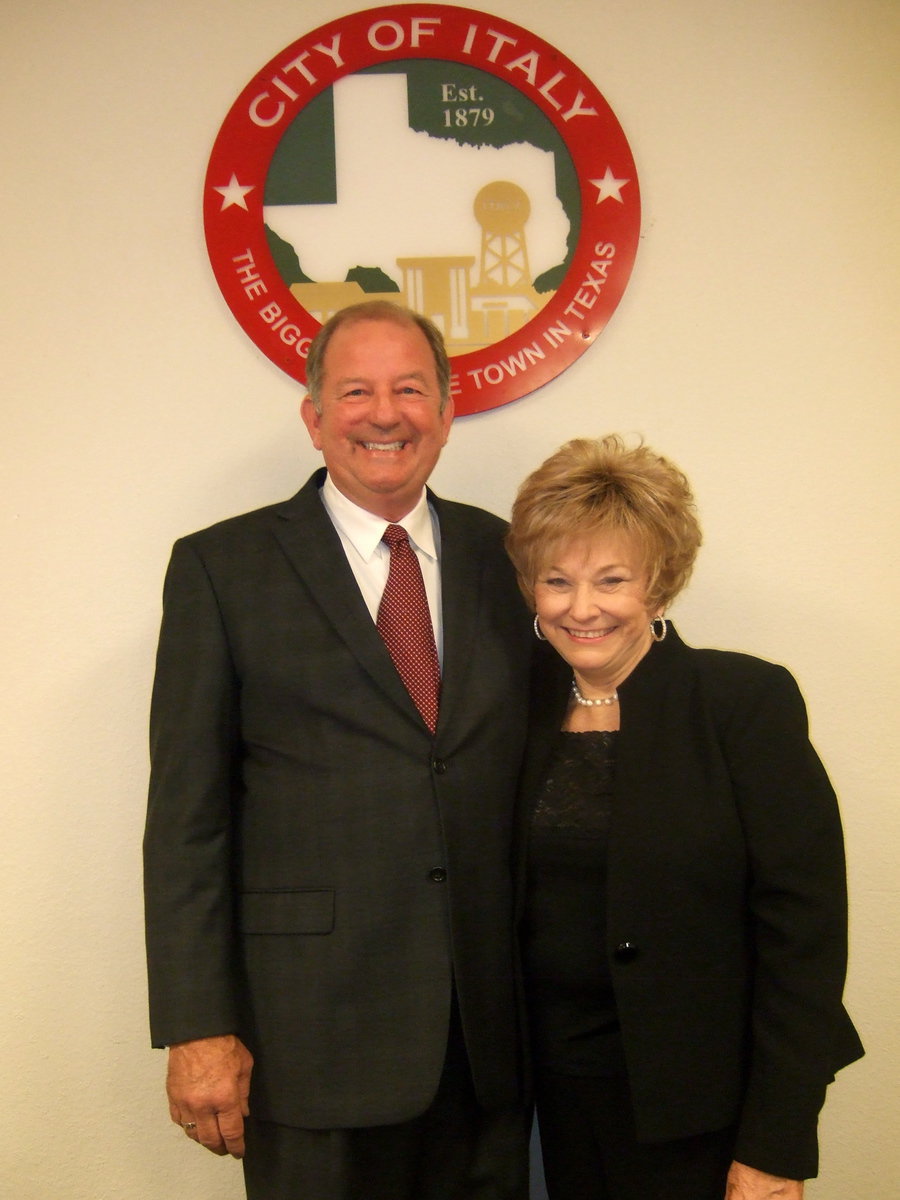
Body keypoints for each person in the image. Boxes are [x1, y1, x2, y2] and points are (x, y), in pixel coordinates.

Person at [143, 301, 533, 1200]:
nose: (385, 413)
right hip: (308, 1043)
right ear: (314, 415)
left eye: (409, 388)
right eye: (355, 391)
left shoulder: (509, 557)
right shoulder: (222, 568)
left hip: (488, 1047)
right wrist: (198, 1027)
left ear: (446, 408)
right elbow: (186, 823)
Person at [504, 435, 863, 1200]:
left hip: (701, 1113)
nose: (582, 607)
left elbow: (804, 937)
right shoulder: (517, 711)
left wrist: (777, 1144)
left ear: (659, 587)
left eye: (611, 579)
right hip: (545, 1109)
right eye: (557, 580)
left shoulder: (741, 704)